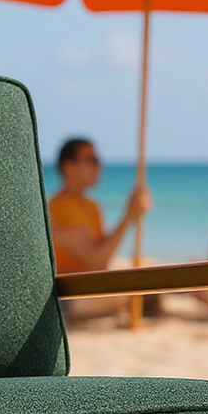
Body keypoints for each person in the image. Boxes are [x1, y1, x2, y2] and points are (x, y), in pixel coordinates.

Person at [47, 137, 152, 321]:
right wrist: (128, 216)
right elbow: (95, 263)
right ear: (68, 167)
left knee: (145, 266)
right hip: (70, 297)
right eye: (91, 160)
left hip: (86, 286)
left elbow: (104, 252)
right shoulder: (59, 206)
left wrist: (131, 215)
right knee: (137, 278)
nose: (99, 166)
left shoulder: (92, 207)